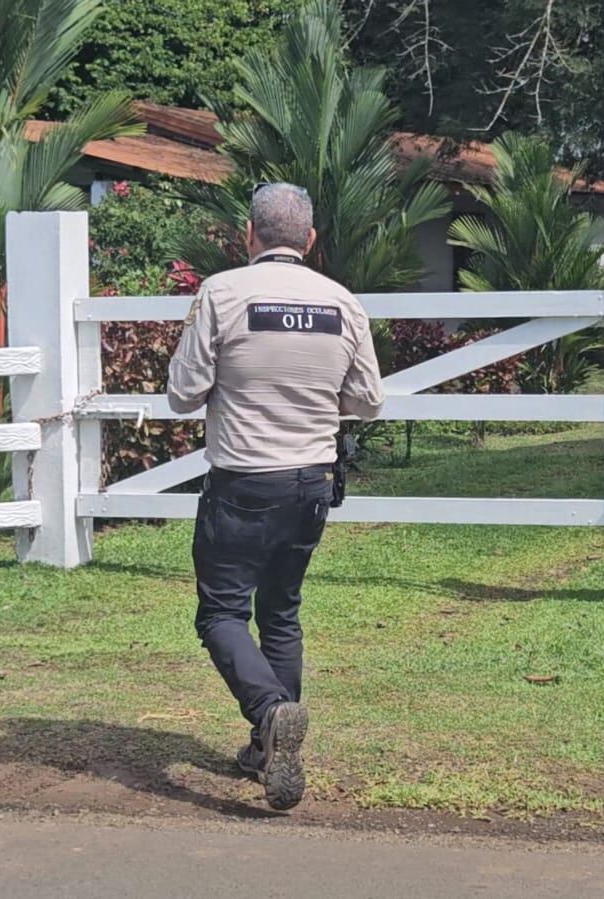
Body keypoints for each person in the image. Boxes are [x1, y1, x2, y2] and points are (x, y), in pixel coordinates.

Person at [166, 182, 384, 810]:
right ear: (311, 240)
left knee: (221, 614)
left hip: (242, 482)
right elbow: (368, 402)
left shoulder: (223, 293)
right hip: (310, 484)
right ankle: (268, 752)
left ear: (248, 234)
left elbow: (183, 394)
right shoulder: (343, 303)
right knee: (281, 611)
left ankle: (268, 715)